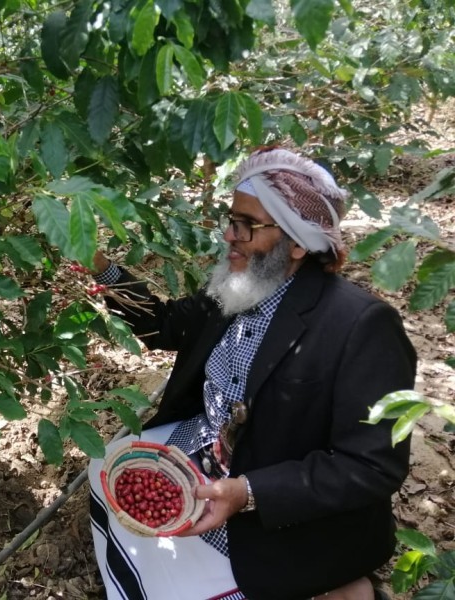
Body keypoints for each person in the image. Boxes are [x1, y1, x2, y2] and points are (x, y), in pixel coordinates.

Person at [86, 147, 417, 600]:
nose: (229, 235)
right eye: (231, 219)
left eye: (248, 225)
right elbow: (164, 325)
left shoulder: (360, 325)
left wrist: (247, 492)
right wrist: (101, 267)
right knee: (108, 467)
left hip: (269, 488)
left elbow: (371, 465)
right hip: (209, 447)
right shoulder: (238, 285)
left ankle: (339, 584)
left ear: (298, 242)